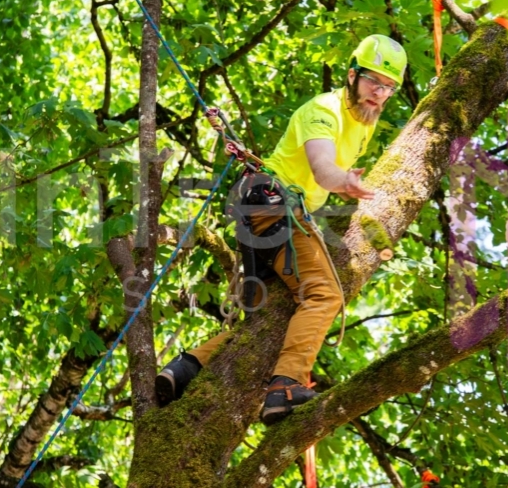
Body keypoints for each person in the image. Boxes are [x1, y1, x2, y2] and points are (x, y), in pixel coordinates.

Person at [155, 34, 408, 425]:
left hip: (268, 213)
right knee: (324, 294)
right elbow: (323, 168)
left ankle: (185, 368)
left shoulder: (364, 124)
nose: (380, 92)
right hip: (274, 207)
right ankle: (286, 387)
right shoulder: (324, 109)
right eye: (373, 80)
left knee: (267, 318)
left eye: (389, 86)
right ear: (352, 75)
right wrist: (343, 182)